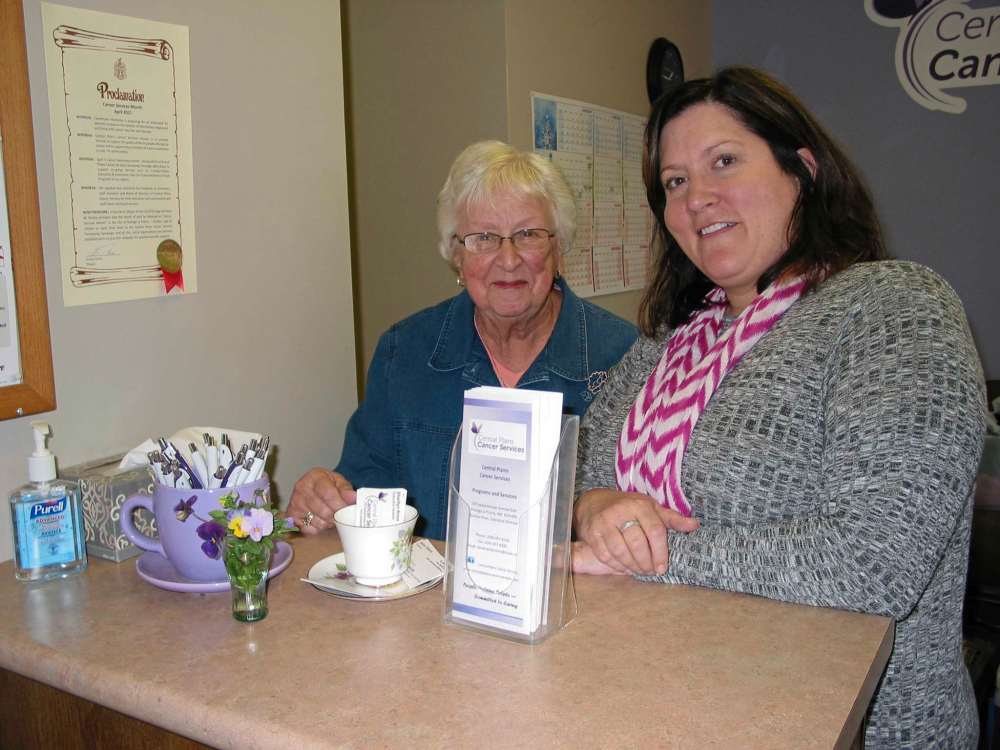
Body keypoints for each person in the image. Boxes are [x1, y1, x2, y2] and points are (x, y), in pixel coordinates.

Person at [571, 67, 986, 748]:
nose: (698, 198)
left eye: (724, 162)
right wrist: (591, 504)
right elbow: (570, 473)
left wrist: (649, 554)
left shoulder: (894, 305)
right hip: (653, 700)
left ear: (804, 170)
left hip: (847, 727)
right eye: (675, 182)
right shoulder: (667, 342)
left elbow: (872, 564)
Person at [290, 140, 637, 541]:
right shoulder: (405, 354)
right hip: (428, 600)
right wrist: (326, 499)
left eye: (528, 234)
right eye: (483, 238)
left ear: (558, 249)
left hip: (580, 601)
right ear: (456, 255)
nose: (508, 259)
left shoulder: (623, 357)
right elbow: (362, 491)